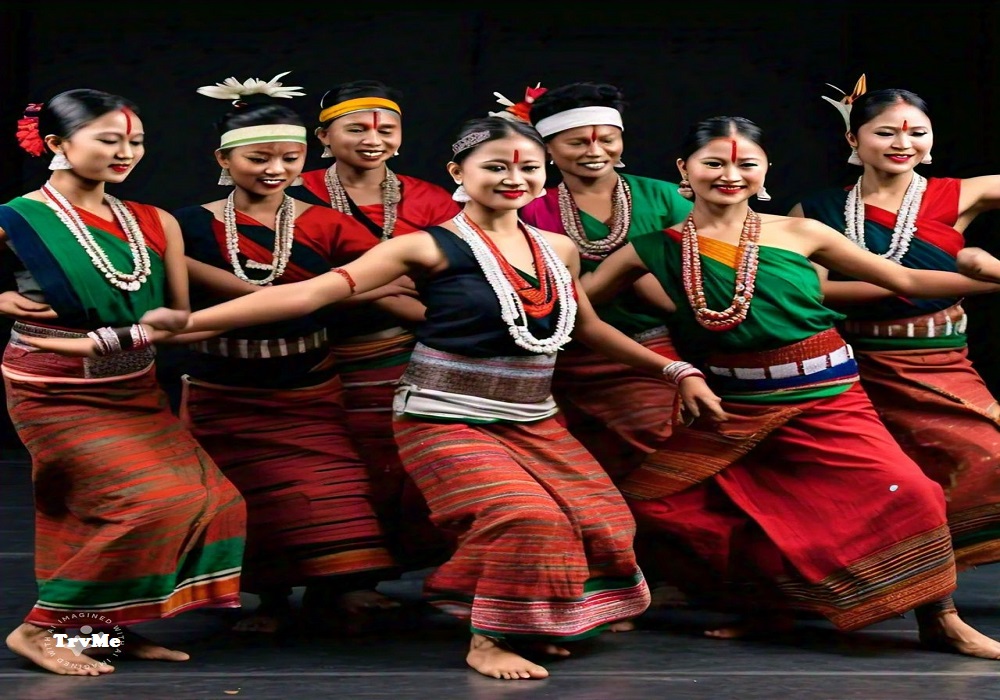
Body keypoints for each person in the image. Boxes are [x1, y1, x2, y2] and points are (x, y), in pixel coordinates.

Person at [30, 116, 731, 679]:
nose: (514, 177)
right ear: (459, 174)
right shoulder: (424, 248)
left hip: (533, 417)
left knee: (604, 521)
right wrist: (156, 331)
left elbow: (592, 326)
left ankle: (518, 616)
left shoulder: (559, 248)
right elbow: (305, 294)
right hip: (442, 415)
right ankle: (487, 640)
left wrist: (675, 372)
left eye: (526, 167)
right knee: (524, 519)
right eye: (496, 166)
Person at [583, 115, 1000, 658]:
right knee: (662, 505)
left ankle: (939, 617)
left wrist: (991, 276)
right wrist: (671, 369)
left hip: (828, 395)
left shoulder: (801, 232)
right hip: (732, 405)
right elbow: (578, 306)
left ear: (764, 172)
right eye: (714, 163)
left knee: (913, 492)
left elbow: (904, 280)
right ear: (684, 169)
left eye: (745, 164)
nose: (730, 174)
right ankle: (768, 605)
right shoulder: (651, 248)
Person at [0, 91, 246, 675]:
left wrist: (165, 325)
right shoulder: (18, 217)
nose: (126, 152)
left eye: (134, 141)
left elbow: (177, 314)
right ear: (56, 145)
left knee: (217, 502)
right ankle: (40, 630)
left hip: (134, 389)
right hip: (52, 392)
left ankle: (100, 631)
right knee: (155, 503)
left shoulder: (153, 221)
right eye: (109, 140)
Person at [172, 73, 398, 633]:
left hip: (309, 385)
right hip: (221, 390)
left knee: (329, 488)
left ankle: (340, 588)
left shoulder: (326, 223)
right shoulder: (186, 226)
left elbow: (388, 279)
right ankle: (265, 599)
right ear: (223, 160)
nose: (276, 169)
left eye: (291, 157)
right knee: (243, 498)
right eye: (259, 157)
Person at [791, 83, 1000, 569]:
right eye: (885, 132)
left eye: (917, 133)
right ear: (852, 140)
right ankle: (879, 578)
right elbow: (816, 291)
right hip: (855, 369)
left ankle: (928, 568)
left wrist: (984, 263)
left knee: (987, 454)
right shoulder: (816, 211)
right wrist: (905, 281)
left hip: (940, 364)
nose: (903, 143)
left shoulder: (960, 193)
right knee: (864, 483)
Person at [288, 79, 459, 566]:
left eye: (388, 129)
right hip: (304, 352)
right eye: (356, 128)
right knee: (324, 471)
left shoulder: (430, 199)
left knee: (396, 459)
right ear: (322, 137)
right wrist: (379, 287)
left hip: (401, 350)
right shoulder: (293, 189)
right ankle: (331, 581)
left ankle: (378, 575)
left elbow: (451, 275)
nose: (374, 138)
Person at [519, 82, 693, 481]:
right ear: (546, 148)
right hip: (561, 360)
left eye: (608, 140)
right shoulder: (528, 209)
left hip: (655, 351)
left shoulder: (668, 197)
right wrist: (628, 270)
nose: (595, 152)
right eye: (577, 142)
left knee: (665, 453)